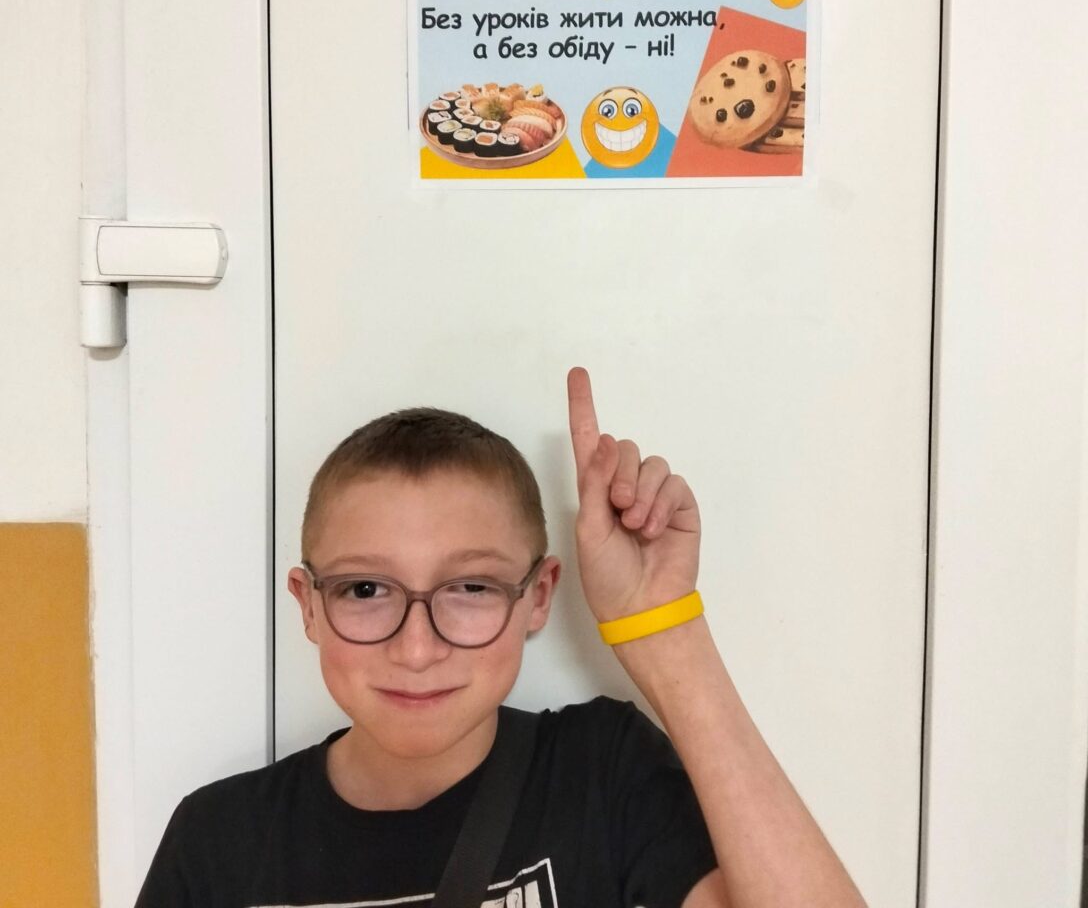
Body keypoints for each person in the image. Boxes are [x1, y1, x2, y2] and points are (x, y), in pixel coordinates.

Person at [136, 368, 867, 907]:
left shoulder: (601, 775)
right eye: (365, 590)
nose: (416, 650)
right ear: (308, 605)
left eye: (470, 589)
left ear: (538, 596)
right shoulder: (219, 841)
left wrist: (664, 627)